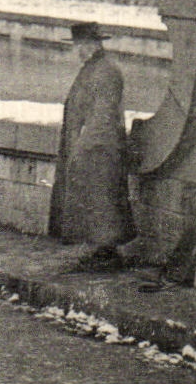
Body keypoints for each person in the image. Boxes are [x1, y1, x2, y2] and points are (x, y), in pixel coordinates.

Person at [50, 22, 135, 272]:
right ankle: (101, 251)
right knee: (96, 200)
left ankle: (107, 253)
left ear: (92, 45)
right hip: (91, 146)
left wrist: (82, 147)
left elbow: (103, 115)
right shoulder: (93, 69)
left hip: (101, 148)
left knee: (103, 200)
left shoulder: (106, 71)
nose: (77, 51)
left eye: (79, 46)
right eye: (77, 46)